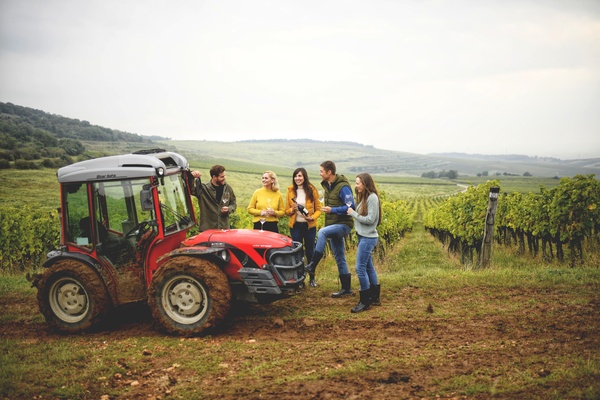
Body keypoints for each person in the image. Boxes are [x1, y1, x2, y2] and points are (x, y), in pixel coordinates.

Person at [305, 160, 355, 298]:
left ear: (329, 172)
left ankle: (312, 265)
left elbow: (352, 207)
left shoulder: (343, 187)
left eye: (322, 171)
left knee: (322, 232)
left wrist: (332, 210)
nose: (320, 174)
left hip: (344, 225)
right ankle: (346, 289)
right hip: (333, 224)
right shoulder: (328, 186)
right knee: (339, 257)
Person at [347, 173, 382, 313]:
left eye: (357, 183)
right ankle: (374, 297)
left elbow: (370, 219)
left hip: (368, 238)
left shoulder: (372, 197)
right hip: (364, 236)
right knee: (368, 267)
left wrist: (353, 214)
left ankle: (365, 301)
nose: (355, 186)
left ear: (365, 184)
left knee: (359, 268)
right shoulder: (365, 197)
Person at [286, 168, 322, 287]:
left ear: (304, 177)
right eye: (296, 176)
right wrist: (292, 209)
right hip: (295, 226)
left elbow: (318, 209)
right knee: (298, 252)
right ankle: (300, 280)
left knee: (310, 251)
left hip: (309, 226)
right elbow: (287, 211)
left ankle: (312, 278)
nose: (298, 178)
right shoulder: (290, 190)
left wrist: (313, 217)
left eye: (300, 176)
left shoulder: (312, 190)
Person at [190, 165, 237, 232]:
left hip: (224, 229)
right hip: (207, 230)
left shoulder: (228, 188)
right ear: (214, 177)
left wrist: (229, 209)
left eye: (224, 176)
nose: (225, 178)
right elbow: (191, 190)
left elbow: (233, 203)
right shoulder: (203, 189)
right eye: (222, 177)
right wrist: (191, 176)